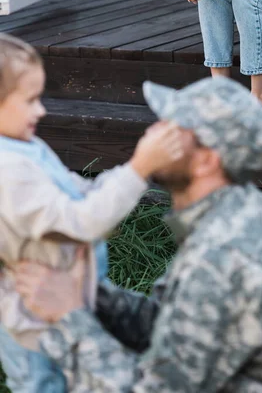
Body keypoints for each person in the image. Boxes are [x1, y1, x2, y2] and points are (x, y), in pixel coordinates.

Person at [15, 77, 262, 392]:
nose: (152, 131)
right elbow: (175, 331)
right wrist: (93, 295)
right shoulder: (232, 216)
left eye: (171, 127)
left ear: (209, 158)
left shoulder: (226, 252)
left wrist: (69, 315)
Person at [0, 33, 184, 393]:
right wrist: (137, 171)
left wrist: (115, 181)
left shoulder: (26, 147)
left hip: (63, 301)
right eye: (30, 100)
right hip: (35, 319)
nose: (41, 110)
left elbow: (75, 190)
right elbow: (82, 221)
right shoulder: (9, 170)